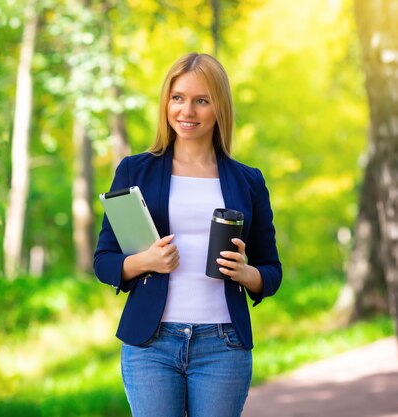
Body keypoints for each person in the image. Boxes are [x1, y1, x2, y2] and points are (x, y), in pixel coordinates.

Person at [93, 52, 282, 417]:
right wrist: (143, 262)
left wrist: (247, 274)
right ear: (166, 102)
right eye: (177, 98)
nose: (187, 111)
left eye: (201, 100)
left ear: (219, 108)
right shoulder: (135, 170)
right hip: (151, 345)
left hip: (223, 345)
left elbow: (271, 271)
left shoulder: (248, 180)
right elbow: (104, 261)